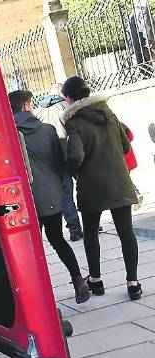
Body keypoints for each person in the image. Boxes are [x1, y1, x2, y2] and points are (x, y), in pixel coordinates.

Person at [61, 76, 143, 301]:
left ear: (69, 98)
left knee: (90, 232)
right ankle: (133, 283)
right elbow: (125, 145)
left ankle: (96, 280)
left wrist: (70, 170)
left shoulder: (74, 122)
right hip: (119, 180)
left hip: (92, 185)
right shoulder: (109, 114)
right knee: (126, 231)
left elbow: (76, 155)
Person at [9, 90, 90, 304]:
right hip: (51, 196)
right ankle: (78, 279)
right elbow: (60, 162)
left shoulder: (9, 133)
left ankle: (40, 296)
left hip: (24, 201)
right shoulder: (48, 130)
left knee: (30, 251)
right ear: (26, 106)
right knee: (57, 239)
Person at [34, 84, 83, 241]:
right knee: (81, 189)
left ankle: (74, 227)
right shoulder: (65, 107)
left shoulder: (38, 112)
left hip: (49, 162)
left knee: (65, 195)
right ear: (62, 94)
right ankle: (82, 224)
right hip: (70, 156)